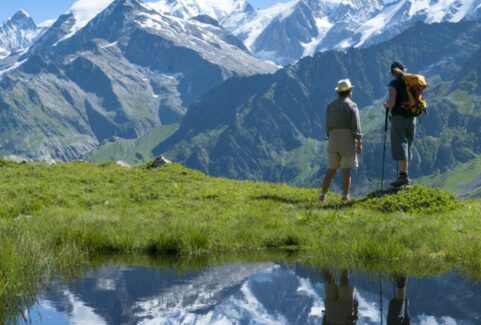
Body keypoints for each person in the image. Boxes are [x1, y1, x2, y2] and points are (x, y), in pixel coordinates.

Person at [320, 79, 362, 203]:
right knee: (346, 170)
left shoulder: (330, 106)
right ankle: (345, 196)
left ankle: (323, 195)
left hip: (333, 139)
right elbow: (356, 127)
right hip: (347, 140)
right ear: (349, 91)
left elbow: (328, 125)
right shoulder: (352, 106)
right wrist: (359, 143)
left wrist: (331, 136)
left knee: (331, 169)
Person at [385, 61, 415, 187]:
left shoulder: (394, 84)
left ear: (392, 73)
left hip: (399, 117)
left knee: (400, 144)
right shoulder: (411, 82)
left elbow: (391, 103)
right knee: (407, 143)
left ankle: (403, 176)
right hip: (412, 117)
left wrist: (386, 105)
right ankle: (405, 174)